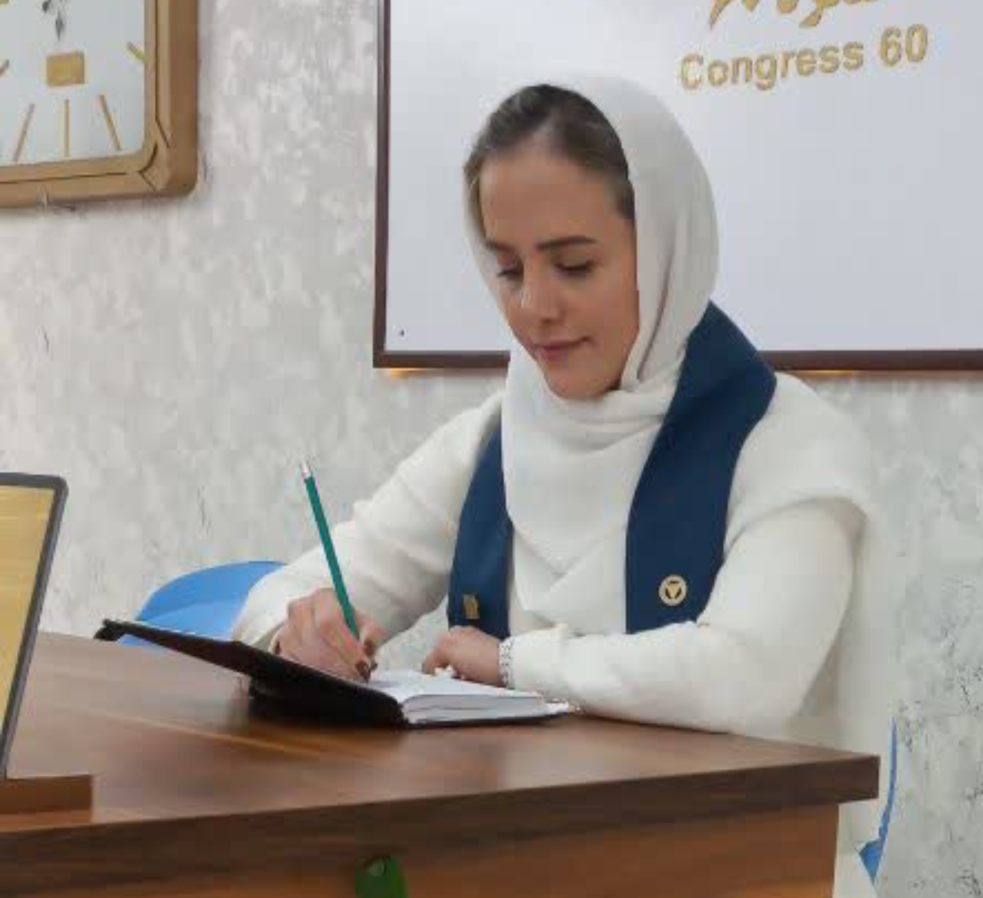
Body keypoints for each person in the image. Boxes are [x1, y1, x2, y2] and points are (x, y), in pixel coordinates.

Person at [232, 75, 895, 895]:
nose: (534, 307)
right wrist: (298, 638)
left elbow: (744, 677)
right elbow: (280, 595)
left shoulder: (788, 445)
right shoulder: (491, 441)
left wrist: (515, 664)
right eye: (508, 270)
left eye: (575, 265)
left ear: (667, 247)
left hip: (747, 874)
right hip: (525, 868)